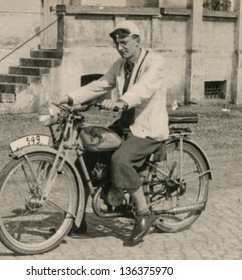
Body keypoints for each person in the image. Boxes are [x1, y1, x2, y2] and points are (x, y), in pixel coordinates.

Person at [59, 20, 169, 246]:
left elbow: (144, 88)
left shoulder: (155, 62)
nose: (120, 47)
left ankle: (144, 213)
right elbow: (101, 84)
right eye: (117, 43)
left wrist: (121, 102)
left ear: (137, 41)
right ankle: (78, 220)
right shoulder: (121, 64)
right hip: (127, 125)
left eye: (125, 42)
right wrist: (70, 98)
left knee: (120, 160)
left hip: (148, 127)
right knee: (89, 155)